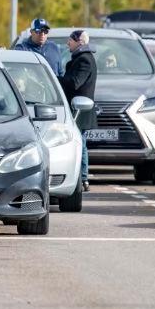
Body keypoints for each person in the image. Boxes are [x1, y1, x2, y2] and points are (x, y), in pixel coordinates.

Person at [60, 30, 98, 192]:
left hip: (80, 110)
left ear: (79, 42)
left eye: (70, 40)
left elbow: (75, 83)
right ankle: (82, 178)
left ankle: (83, 178)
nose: (68, 43)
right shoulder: (81, 59)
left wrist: (54, 79)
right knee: (79, 142)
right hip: (77, 108)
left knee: (79, 143)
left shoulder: (84, 61)